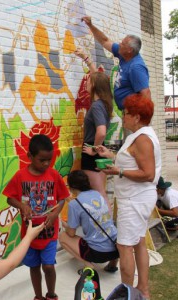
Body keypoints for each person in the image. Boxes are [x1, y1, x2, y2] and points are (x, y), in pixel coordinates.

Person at [95, 94, 161, 299]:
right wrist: (111, 155)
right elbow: (132, 161)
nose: (123, 117)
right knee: (139, 242)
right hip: (135, 198)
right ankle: (142, 290)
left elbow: (148, 173)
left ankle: (126, 294)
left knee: (124, 245)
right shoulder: (140, 135)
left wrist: (119, 173)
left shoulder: (142, 139)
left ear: (137, 117)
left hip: (135, 199)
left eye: (126, 114)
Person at [3, 134, 70, 300]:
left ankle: (51, 294)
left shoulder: (53, 175)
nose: (46, 164)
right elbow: (9, 197)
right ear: (30, 157)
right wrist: (22, 206)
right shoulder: (20, 176)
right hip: (29, 235)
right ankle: (38, 296)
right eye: (42, 160)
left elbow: (62, 197)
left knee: (48, 266)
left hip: (49, 233)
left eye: (50, 159)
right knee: (34, 266)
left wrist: (55, 214)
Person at [81, 16, 151, 110]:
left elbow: (146, 95)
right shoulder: (123, 54)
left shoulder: (136, 67)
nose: (119, 44)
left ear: (130, 50)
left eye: (123, 43)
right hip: (126, 112)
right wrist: (90, 25)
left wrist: (137, 119)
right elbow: (104, 40)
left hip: (133, 114)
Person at [75, 48, 113, 210]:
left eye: (89, 81)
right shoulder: (103, 103)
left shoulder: (97, 106)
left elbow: (101, 131)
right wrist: (87, 59)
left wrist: (93, 150)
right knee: (100, 192)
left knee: (99, 193)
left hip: (93, 153)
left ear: (95, 85)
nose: (87, 82)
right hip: (98, 151)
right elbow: (97, 77)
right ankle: (107, 228)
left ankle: (107, 230)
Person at [59, 170, 118, 274]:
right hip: (116, 248)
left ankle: (89, 266)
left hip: (98, 254)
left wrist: (61, 223)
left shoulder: (74, 204)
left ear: (71, 187)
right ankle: (112, 265)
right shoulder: (98, 194)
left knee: (63, 237)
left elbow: (71, 233)